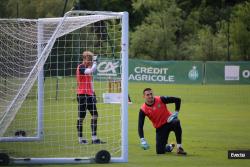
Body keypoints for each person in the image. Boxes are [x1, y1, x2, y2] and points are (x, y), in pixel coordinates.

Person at [138, 88, 187, 155]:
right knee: (160, 152)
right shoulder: (143, 109)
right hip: (160, 128)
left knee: (176, 122)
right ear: (144, 96)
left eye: (151, 94)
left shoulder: (160, 99)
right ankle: (169, 147)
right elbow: (140, 125)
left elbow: (178, 99)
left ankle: (179, 148)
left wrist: (176, 112)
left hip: (169, 122)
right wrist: (142, 139)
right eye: (147, 95)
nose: (150, 96)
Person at [76, 51, 105, 144]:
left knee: (95, 115)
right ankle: (80, 139)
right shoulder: (81, 67)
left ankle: (94, 138)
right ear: (84, 59)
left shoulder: (88, 68)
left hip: (89, 95)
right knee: (81, 118)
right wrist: (96, 63)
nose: (91, 61)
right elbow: (91, 70)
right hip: (82, 95)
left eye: (92, 60)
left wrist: (93, 94)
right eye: (90, 59)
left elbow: (91, 83)